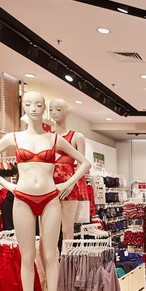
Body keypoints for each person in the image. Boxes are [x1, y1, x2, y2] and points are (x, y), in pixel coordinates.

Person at [0, 91, 91, 291]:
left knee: (51, 256)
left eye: (39, 104)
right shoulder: (13, 138)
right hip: (22, 198)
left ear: (44, 108)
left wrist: (68, 184)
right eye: (28, 104)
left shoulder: (54, 139)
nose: (34, 108)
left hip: (50, 197)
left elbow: (84, 163)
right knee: (27, 259)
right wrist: (7, 185)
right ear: (24, 107)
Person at [49, 98, 88, 240]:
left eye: (58, 109)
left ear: (66, 111)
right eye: (51, 109)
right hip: (49, 185)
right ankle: (50, 254)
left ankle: (67, 254)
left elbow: (82, 164)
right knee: (48, 228)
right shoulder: (47, 136)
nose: (54, 113)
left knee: (67, 228)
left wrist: (71, 183)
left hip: (69, 186)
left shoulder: (77, 137)